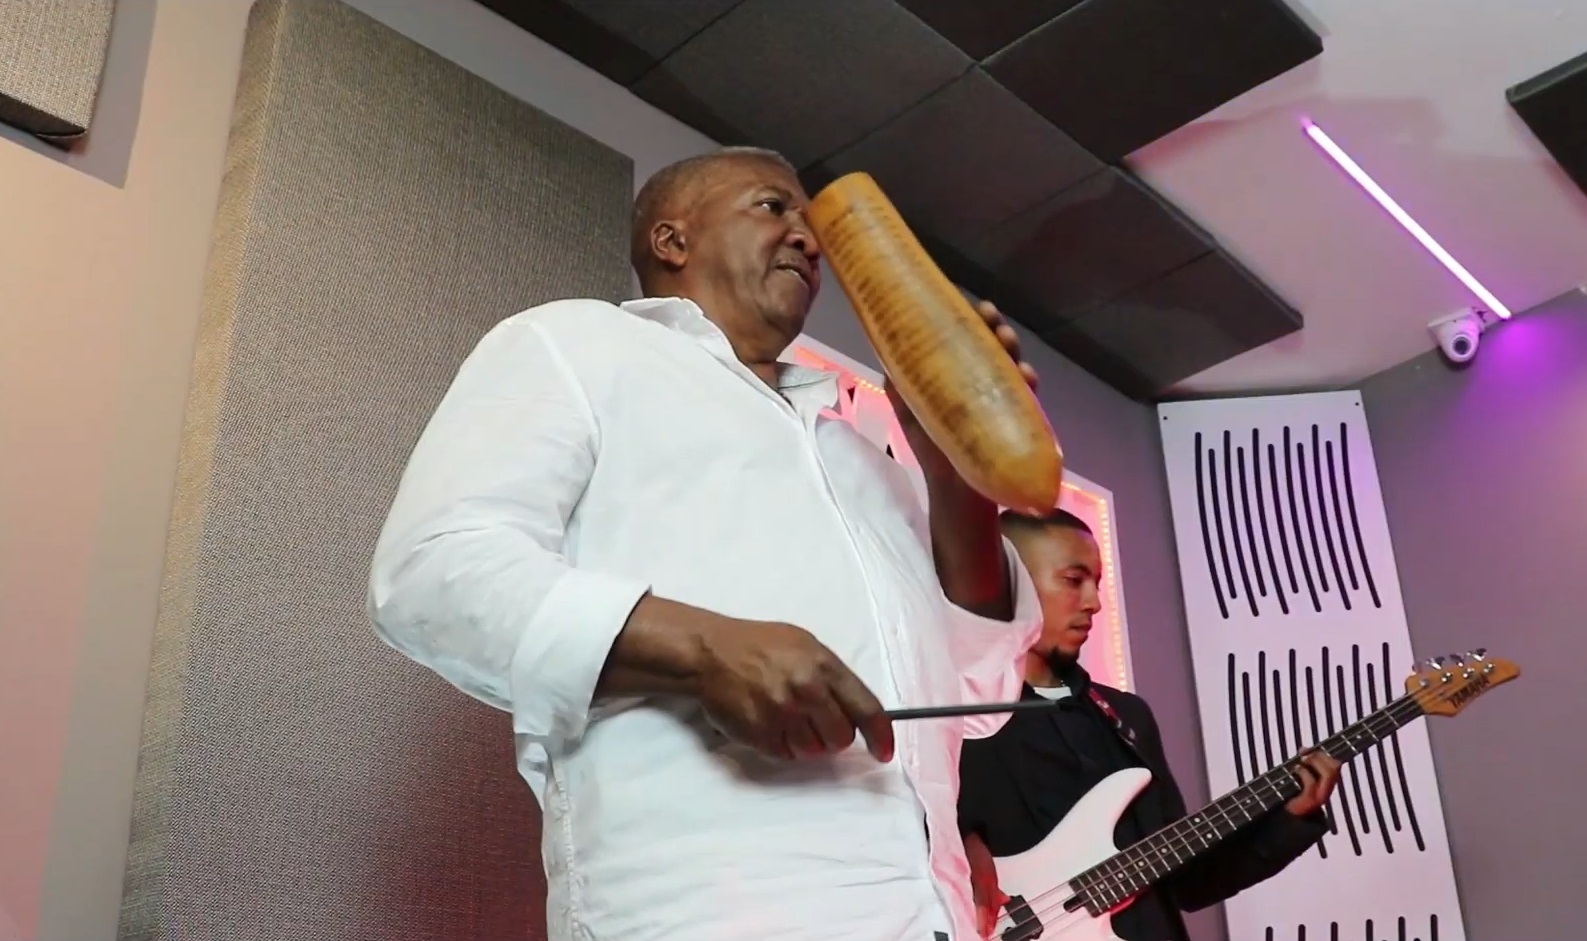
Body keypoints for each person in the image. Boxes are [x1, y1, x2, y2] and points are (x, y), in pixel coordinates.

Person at [367, 146, 1046, 941]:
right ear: (672, 239)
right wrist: (704, 648)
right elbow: (429, 570)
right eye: (773, 207)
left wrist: (952, 468)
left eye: (811, 224)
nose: (809, 239)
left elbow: (978, 691)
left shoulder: (865, 457)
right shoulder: (576, 342)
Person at [957, 509, 1342, 940]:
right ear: (1009, 583)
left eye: (1096, 582)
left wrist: (1290, 817)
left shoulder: (1125, 715)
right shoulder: (955, 716)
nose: (1094, 602)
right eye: (1073, 580)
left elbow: (1188, 883)